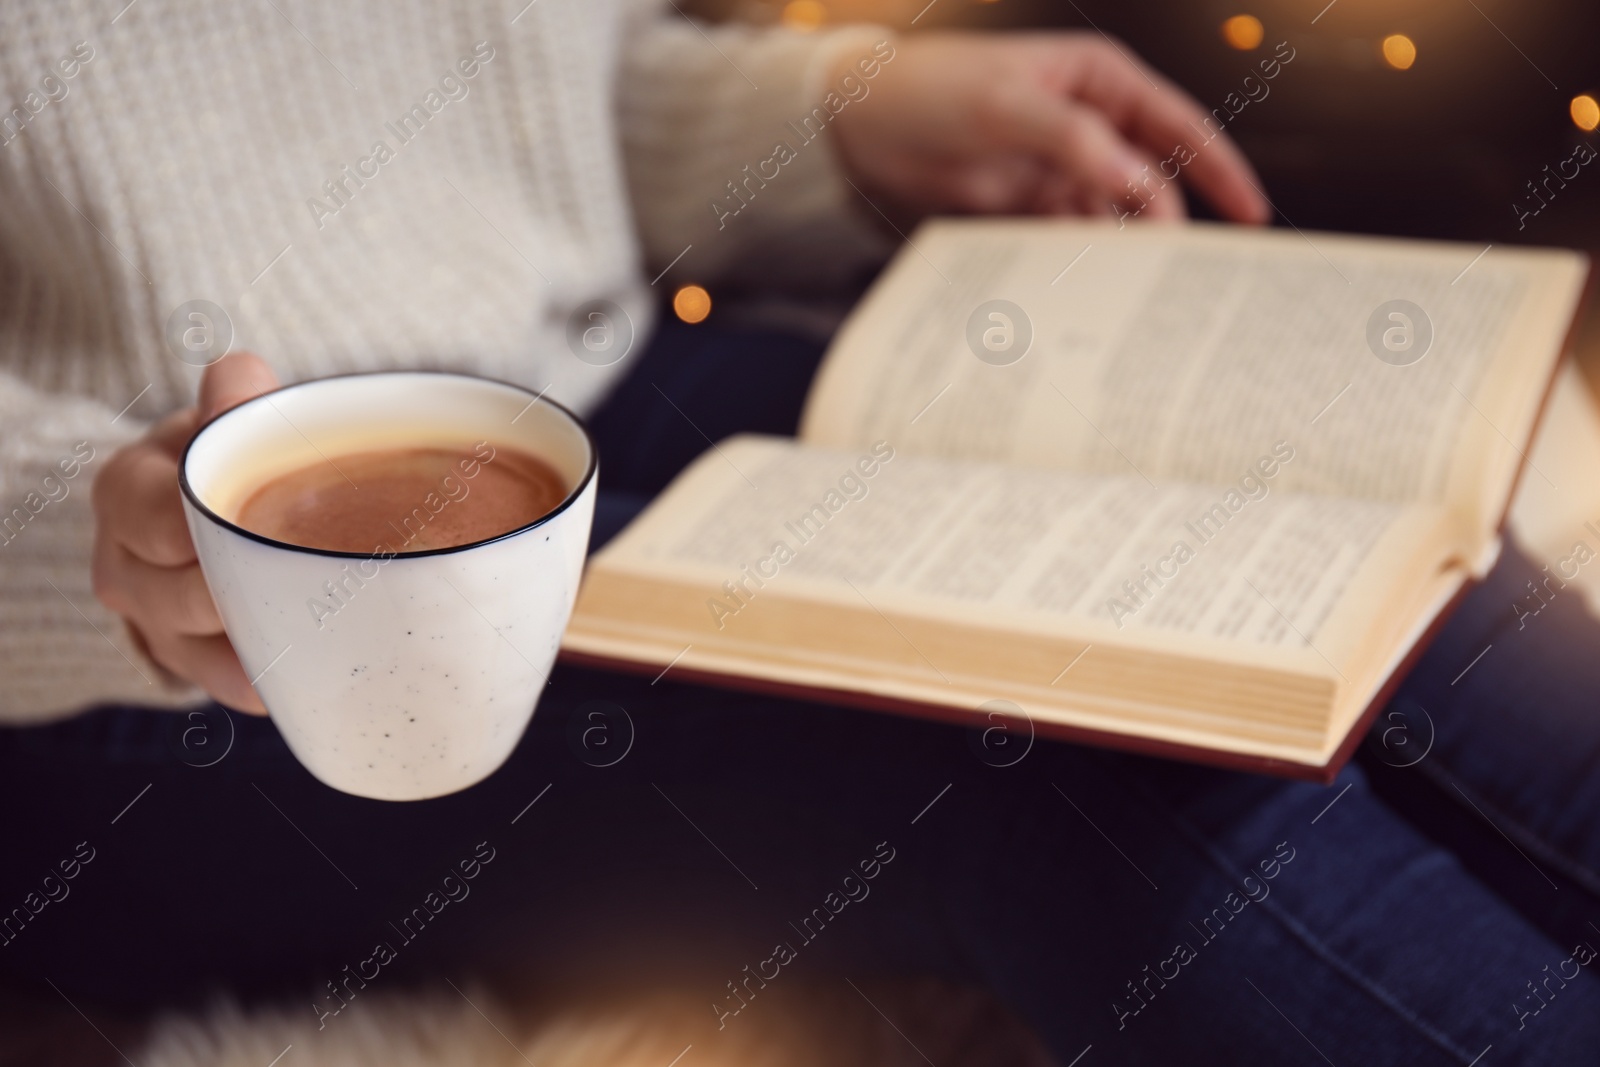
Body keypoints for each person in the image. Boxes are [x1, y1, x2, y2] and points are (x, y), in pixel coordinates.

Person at [0, 4, 1596, 1063]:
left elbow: (522, 90)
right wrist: (96, 539)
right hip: (171, 640)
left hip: (600, 379)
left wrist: (834, 115)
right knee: (1048, 736)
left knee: (1326, 517)